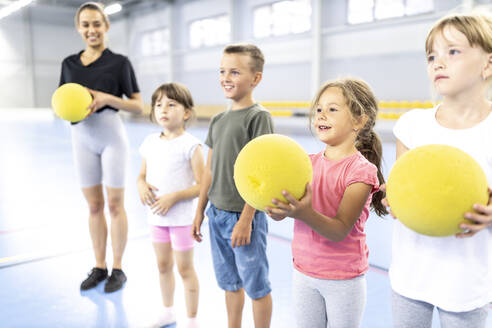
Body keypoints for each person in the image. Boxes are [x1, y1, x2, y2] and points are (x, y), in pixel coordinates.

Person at [382, 12, 492, 328]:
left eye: (452, 52)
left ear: (487, 64)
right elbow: (400, 188)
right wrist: (395, 199)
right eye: (432, 56)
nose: (438, 63)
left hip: (466, 284)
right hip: (409, 277)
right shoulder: (413, 125)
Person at [266, 78, 387, 328]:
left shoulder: (361, 172)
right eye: (319, 109)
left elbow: (340, 229)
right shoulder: (305, 163)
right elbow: (289, 210)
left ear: (358, 120)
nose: (321, 115)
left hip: (343, 280)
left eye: (332, 109)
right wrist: (279, 210)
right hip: (303, 273)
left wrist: (303, 213)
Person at [59, 2, 143, 293]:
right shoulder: (68, 64)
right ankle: (99, 266)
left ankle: (118, 268)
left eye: (97, 24)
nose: (91, 30)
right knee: (94, 206)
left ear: (106, 26)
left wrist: (107, 98)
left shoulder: (120, 63)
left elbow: (137, 105)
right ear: (78, 28)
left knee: (115, 205)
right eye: (85, 25)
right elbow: (62, 99)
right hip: (80, 138)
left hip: (111, 138)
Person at [191, 43, 274, 328]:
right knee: (229, 283)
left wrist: (247, 219)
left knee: (256, 285)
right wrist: (200, 211)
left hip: (244, 217)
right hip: (216, 214)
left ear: (256, 78)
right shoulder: (218, 119)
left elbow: (263, 174)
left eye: (235, 72)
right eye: (222, 71)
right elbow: (210, 170)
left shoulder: (257, 117)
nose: (226, 77)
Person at [137, 83, 204, 328]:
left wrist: (174, 197)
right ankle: (167, 310)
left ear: (186, 112)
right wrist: (141, 185)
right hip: (156, 218)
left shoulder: (191, 145)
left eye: (171, 104)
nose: (163, 109)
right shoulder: (149, 142)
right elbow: (141, 175)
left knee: (185, 269)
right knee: (163, 265)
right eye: (158, 104)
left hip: (181, 220)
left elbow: (202, 184)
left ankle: (192, 319)